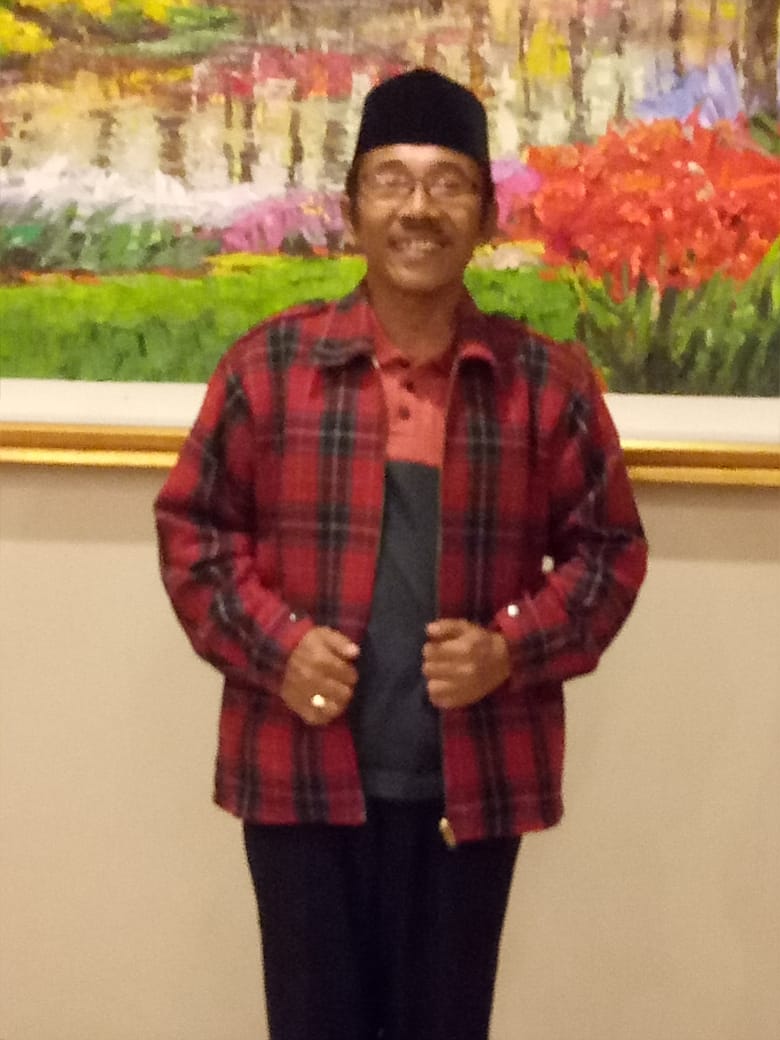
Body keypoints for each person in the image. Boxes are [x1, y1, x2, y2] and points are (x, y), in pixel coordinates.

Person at [154, 68, 648, 1040]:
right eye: (391, 180)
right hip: (299, 782)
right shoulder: (269, 366)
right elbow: (194, 532)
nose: (418, 208)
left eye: (448, 182)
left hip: (472, 786)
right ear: (352, 211)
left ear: (487, 216)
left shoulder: (546, 383)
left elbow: (610, 552)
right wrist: (277, 647)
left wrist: (511, 646)